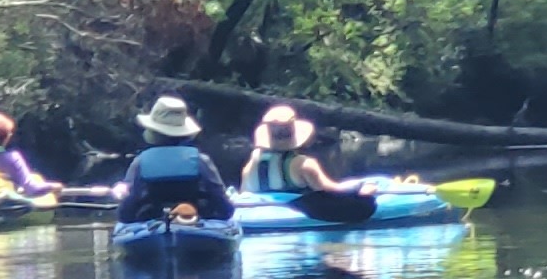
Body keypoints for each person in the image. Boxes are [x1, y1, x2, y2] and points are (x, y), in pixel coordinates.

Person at [244, 105, 379, 224]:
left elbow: (245, 190)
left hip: (259, 210)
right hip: (298, 208)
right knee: (365, 203)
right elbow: (332, 190)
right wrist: (360, 186)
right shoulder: (303, 163)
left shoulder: (254, 159)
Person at [122, 95, 234, 220]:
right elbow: (224, 206)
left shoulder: (140, 162)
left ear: (152, 132)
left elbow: (127, 209)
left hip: (153, 218)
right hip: (194, 218)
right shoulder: (201, 161)